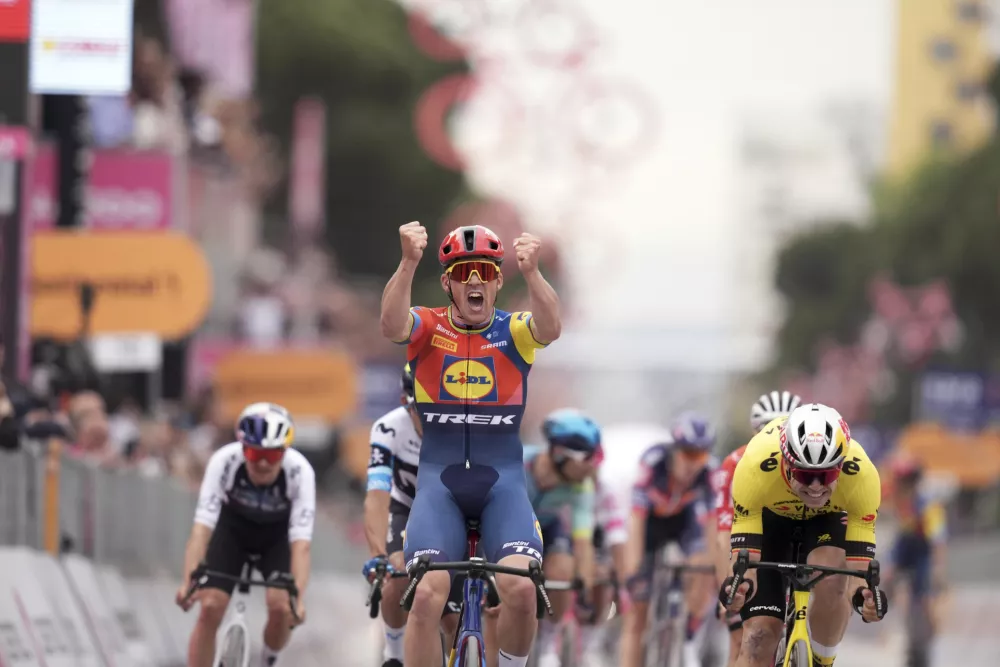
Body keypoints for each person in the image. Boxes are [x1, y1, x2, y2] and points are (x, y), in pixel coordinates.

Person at [380, 221, 562, 667]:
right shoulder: (427, 327)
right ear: (448, 283)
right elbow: (390, 325)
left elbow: (551, 326)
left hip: (503, 485)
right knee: (424, 597)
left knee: (521, 589)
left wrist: (534, 272)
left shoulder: (514, 331)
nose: (475, 280)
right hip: (438, 487)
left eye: (485, 270)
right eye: (463, 273)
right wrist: (407, 262)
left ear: (499, 281)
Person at [721, 403, 889, 667]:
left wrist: (864, 599)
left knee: (833, 581)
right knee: (759, 637)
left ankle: (823, 660)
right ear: (786, 462)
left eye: (826, 475)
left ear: (842, 465)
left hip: (827, 520)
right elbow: (746, 564)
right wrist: (740, 586)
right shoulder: (755, 464)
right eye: (805, 474)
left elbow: (858, 574)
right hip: (771, 521)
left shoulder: (862, 475)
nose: (815, 487)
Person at [176, 402, 315, 667]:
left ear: (284, 452)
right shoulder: (224, 461)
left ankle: (268, 659)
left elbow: (301, 545)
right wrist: (188, 582)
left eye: (272, 456)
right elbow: (201, 529)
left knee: (281, 606)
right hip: (233, 531)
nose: (262, 463)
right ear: (242, 448)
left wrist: (297, 598)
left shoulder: (300, 472)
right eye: (254, 453)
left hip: (276, 537)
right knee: (210, 606)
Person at [361, 363, 462, 667]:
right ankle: (393, 653)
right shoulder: (387, 429)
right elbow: (377, 498)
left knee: (453, 619)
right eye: (422, 409)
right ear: (407, 402)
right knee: (396, 577)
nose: (430, 419)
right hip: (406, 508)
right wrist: (379, 554)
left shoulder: (462, 426)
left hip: (454, 513)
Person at [711, 390, 801, 667]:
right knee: (744, 639)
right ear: (754, 433)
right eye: (766, 429)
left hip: (797, 538)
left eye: (782, 428)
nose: (774, 436)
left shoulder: (811, 461)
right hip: (754, 541)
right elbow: (724, 534)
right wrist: (728, 588)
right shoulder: (736, 464)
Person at [621, 412, 717, 667]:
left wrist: (714, 570)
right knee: (637, 615)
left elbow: (711, 527)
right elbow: (636, 519)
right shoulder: (653, 463)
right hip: (651, 523)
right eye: (687, 453)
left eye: (700, 455)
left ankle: (687, 637)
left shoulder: (708, 474)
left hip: (683, 522)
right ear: (674, 450)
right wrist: (634, 570)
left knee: (703, 567)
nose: (692, 464)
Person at [522, 408, 600, 667]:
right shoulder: (519, 464)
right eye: (588, 457)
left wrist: (586, 588)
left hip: (548, 528)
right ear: (560, 454)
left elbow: (583, 541)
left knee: (563, 571)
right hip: (511, 526)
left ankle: (548, 639)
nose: (593, 466)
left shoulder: (581, 485)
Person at [884, 454, 947, 667]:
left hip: (922, 551)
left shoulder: (928, 505)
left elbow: (938, 540)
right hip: (904, 546)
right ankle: (898, 628)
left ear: (913, 482)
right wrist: (892, 567)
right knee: (888, 580)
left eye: (903, 482)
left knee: (925, 597)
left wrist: (937, 569)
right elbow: (898, 532)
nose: (900, 486)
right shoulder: (899, 500)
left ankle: (928, 638)